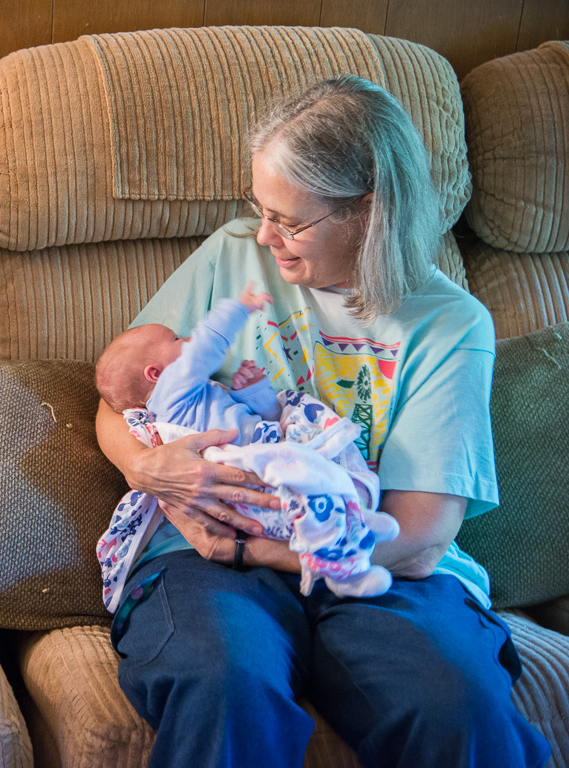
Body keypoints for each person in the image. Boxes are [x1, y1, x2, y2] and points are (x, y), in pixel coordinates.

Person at [97, 75, 552, 768]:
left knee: (450, 706)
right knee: (222, 682)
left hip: (380, 570)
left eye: (292, 220)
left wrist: (256, 551)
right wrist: (143, 468)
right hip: (207, 563)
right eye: (260, 210)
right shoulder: (232, 254)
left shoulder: (449, 324)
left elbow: (421, 532)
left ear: (369, 212)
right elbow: (120, 400)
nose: (266, 236)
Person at [95, 283, 397, 612]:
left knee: (306, 471)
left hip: (259, 457)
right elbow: (203, 350)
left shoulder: (201, 397)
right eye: (177, 340)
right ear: (155, 373)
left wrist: (255, 394)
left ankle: (353, 522)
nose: (186, 339)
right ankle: (345, 566)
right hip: (243, 471)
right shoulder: (170, 394)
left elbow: (261, 419)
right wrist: (239, 307)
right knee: (304, 470)